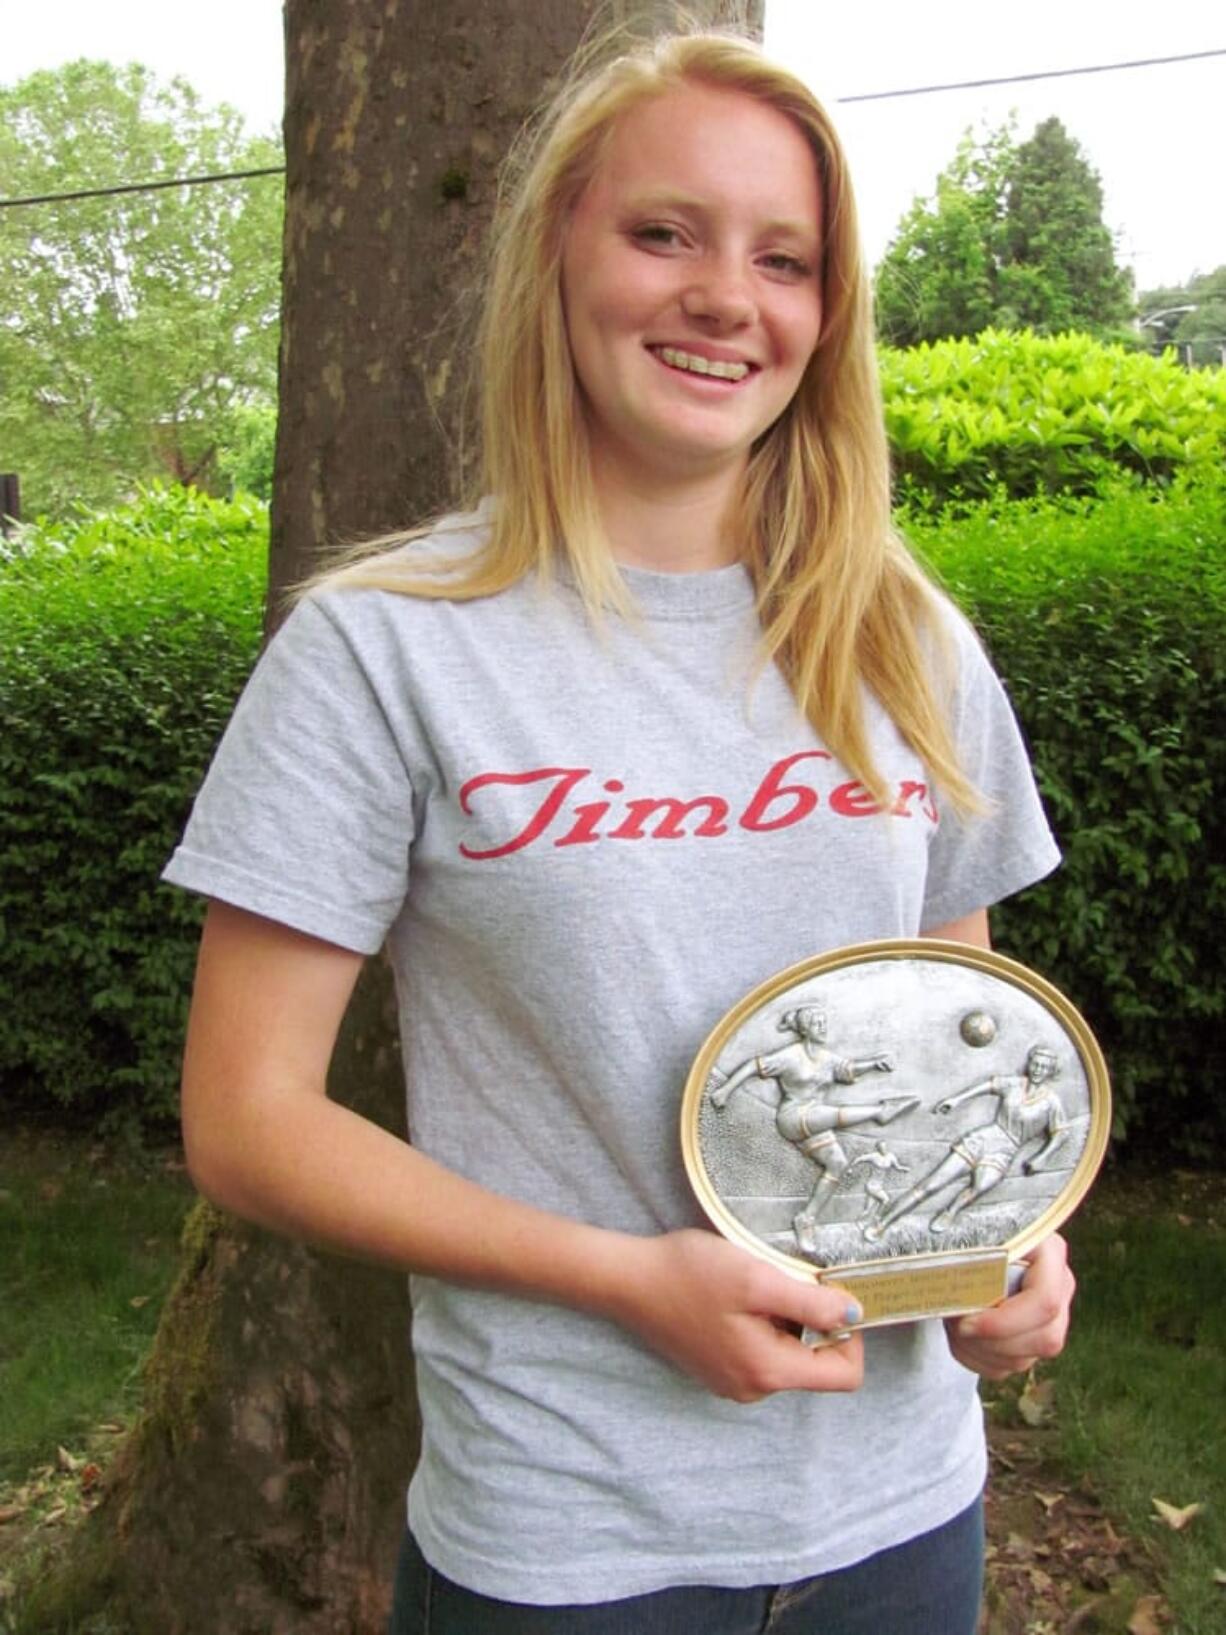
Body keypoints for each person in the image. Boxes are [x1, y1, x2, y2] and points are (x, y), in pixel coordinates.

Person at [165, 25, 1075, 1635]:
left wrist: (1010, 1249)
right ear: (558, 252)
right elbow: (245, 1117)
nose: (727, 297)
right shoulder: (385, 645)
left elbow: (955, 1035)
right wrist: (623, 1279)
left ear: (826, 311)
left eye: (783, 257)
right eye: (664, 232)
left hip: (901, 1514)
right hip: (567, 1540)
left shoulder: (900, 634)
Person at [708, 1005, 916, 1250]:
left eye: (824, 1021)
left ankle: (806, 1220)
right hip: (794, 1118)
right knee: (832, 1114)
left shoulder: (827, 1058)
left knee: (837, 1165)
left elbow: (846, 1069)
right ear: (804, 1029)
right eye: (816, 1022)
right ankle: (880, 1112)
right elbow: (754, 1066)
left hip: (817, 1122)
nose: (822, 1026)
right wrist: (725, 1091)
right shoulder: (790, 1055)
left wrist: (873, 1063)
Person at [867, 1046, 1069, 1240]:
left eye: (1044, 1067)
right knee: (931, 1185)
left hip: (1006, 1151)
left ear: (1051, 1071)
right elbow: (988, 1085)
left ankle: (951, 1211)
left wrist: (1043, 1158)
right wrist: (956, 1100)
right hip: (984, 1139)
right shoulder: (1014, 1084)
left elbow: (1061, 1133)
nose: (1038, 1070)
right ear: (1029, 1064)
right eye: (1035, 1064)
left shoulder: (1051, 1102)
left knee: (982, 1186)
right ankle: (882, 1224)